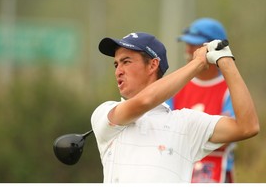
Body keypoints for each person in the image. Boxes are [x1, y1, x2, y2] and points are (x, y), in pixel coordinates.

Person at [91, 32, 259, 183]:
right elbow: (145, 101)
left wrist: (226, 61)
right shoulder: (104, 112)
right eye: (116, 65)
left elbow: (247, 127)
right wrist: (198, 63)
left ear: (152, 65)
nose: (118, 71)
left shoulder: (185, 122)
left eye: (126, 62)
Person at [165, 18, 236, 183]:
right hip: (177, 171)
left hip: (217, 173)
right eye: (187, 44)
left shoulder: (230, 87)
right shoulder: (176, 83)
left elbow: (230, 135)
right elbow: (166, 130)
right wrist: (210, 130)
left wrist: (184, 132)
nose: (189, 50)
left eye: (195, 45)